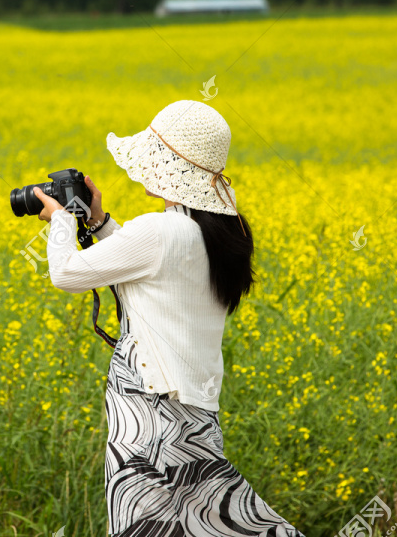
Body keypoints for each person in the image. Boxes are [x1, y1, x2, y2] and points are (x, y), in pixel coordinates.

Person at [33, 100, 306, 537]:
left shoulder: (159, 231)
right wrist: (100, 222)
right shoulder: (218, 233)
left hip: (147, 420)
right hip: (196, 418)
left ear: (164, 166)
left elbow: (66, 275)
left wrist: (62, 220)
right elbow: (149, 269)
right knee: (212, 526)